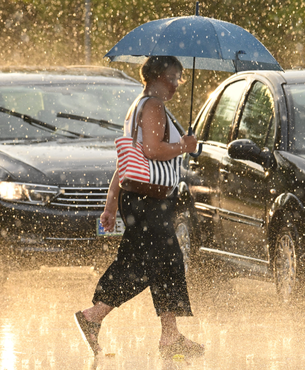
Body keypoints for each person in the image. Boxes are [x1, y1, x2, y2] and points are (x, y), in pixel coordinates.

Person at [75, 56, 203, 358]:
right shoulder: (153, 106)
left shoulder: (139, 106)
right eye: (173, 77)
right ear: (157, 76)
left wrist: (111, 204)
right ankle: (94, 316)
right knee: (147, 263)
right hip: (148, 201)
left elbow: (126, 163)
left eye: (180, 78)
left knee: (162, 262)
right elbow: (151, 150)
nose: (177, 84)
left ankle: (170, 337)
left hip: (141, 199)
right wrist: (184, 146)